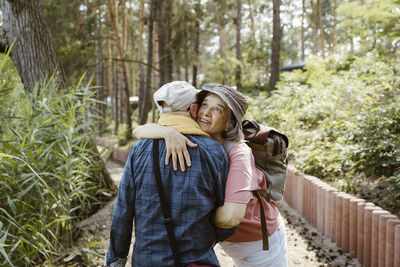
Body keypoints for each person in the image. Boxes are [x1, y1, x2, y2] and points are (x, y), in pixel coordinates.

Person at [134, 84, 288, 267]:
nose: (206, 112)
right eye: (204, 105)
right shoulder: (198, 142)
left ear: (230, 122)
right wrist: (167, 132)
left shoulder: (239, 154)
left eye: (217, 109)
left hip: (261, 245)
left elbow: (231, 217)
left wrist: (189, 217)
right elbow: (138, 131)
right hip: (233, 243)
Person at [105, 81, 237, 267]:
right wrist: (203, 243)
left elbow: (123, 212)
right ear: (193, 109)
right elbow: (224, 211)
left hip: (147, 260)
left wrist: (116, 260)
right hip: (196, 260)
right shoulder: (214, 151)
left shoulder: (139, 150)